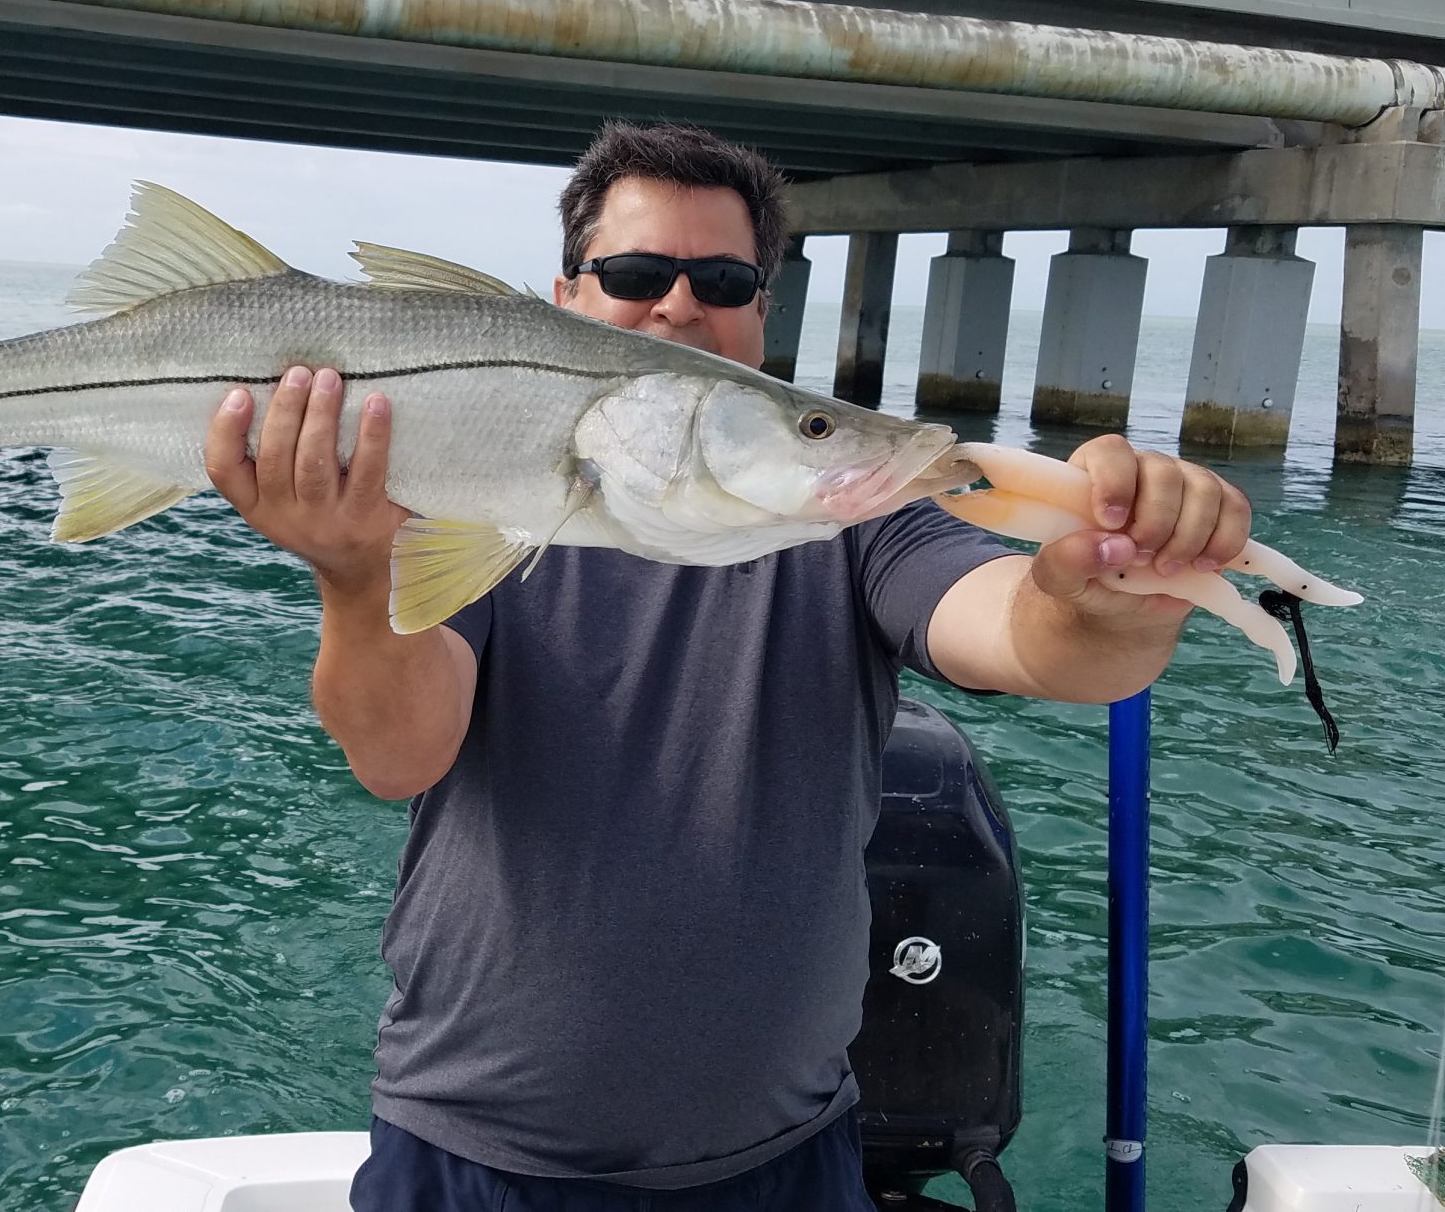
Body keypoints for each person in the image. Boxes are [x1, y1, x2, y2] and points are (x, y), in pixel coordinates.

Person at [200, 122, 1251, 1212]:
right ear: (564, 294)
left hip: (780, 1159)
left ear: (760, 310)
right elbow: (397, 755)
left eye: (720, 278)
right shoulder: (465, 503)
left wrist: (1107, 594)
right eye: (635, 273)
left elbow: (1029, 635)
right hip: (475, 1150)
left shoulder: (848, 517)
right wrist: (350, 572)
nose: (674, 305)